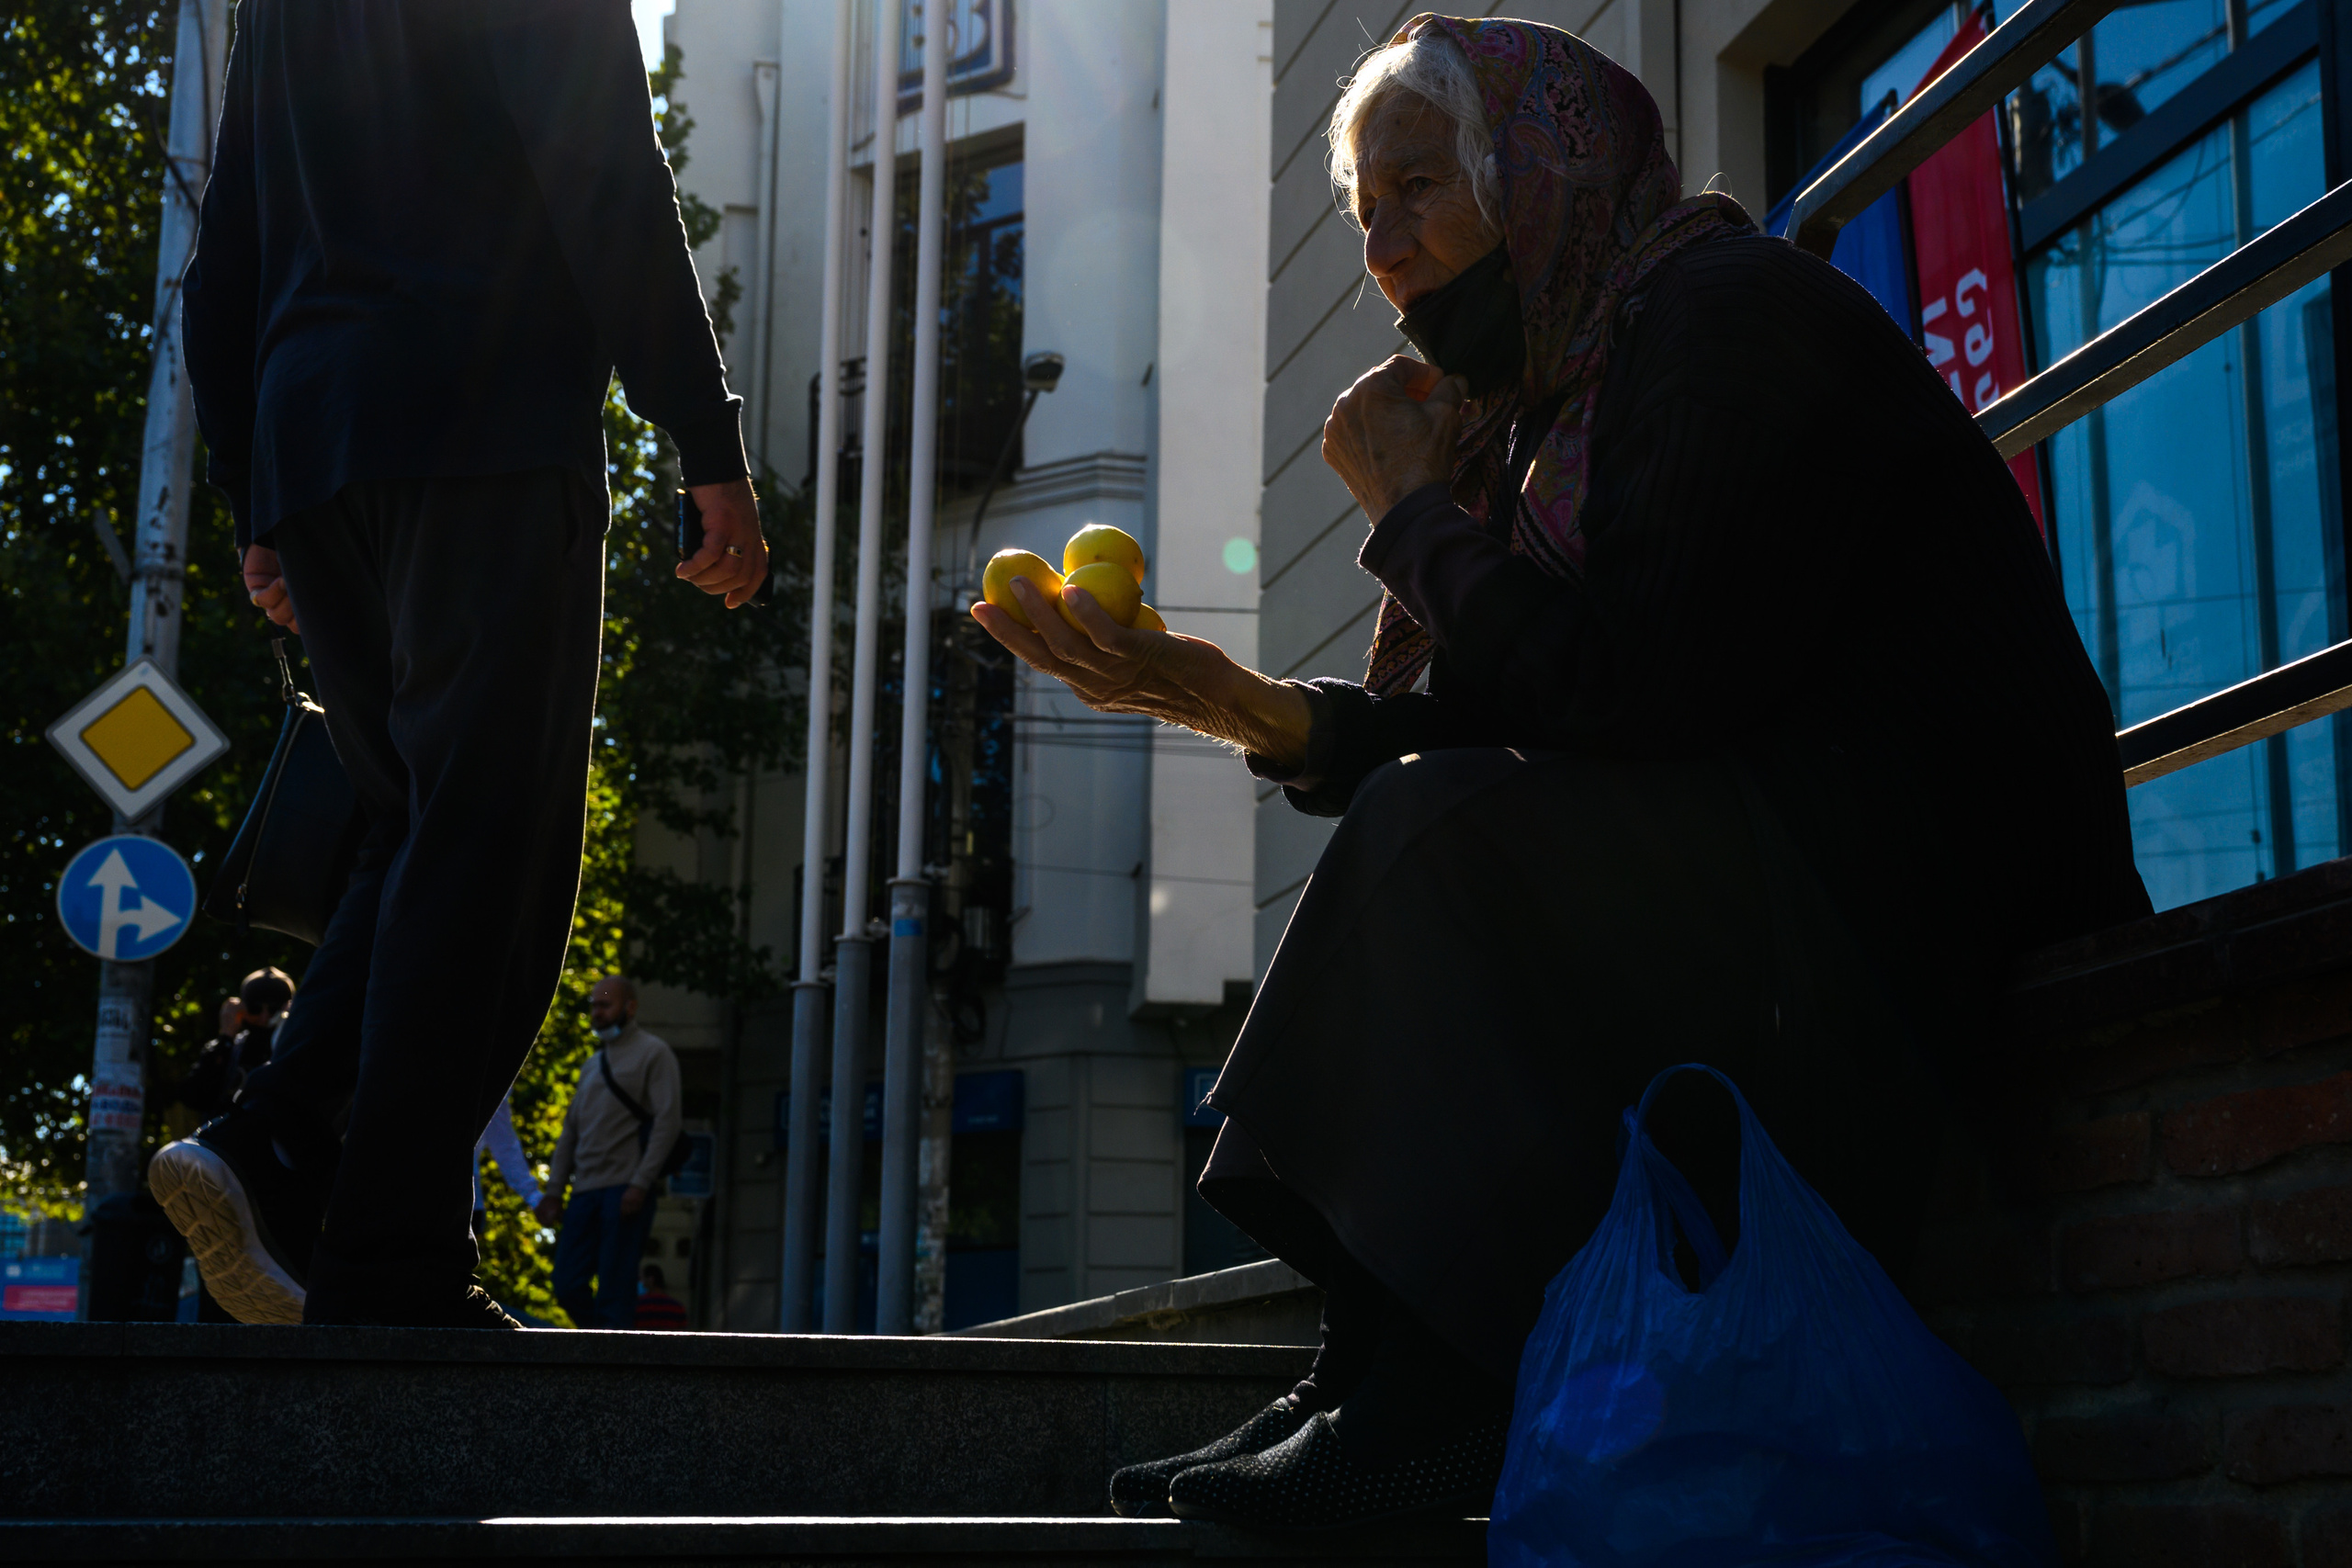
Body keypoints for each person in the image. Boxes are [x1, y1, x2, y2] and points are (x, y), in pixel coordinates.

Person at [971, 16, 2151, 1532]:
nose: (1385, 252)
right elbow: (1505, 718)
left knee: (1439, 839)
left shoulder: (1723, 317)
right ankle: (1368, 1370)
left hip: (1922, 955)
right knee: (1431, 822)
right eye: (1364, 215)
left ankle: (1428, 1389)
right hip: (1795, 909)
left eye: (1417, 189)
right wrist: (1215, 695)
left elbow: (1620, 697)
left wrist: (1412, 514)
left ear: (1540, 169)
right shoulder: (1564, 410)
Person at [150, 0, 764, 1331]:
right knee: (494, 847)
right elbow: (602, 163)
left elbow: (229, 244)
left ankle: (299, 1171)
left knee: (418, 826)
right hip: (482, 430)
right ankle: (368, 1237)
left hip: (319, 446)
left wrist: (259, 496)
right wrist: (703, 441)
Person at [536, 976, 681, 1330]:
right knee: (567, 1284)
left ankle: (610, 1362)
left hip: (624, 1191)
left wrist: (641, 1183)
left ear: (629, 1007)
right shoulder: (591, 1066)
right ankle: (601, 1342)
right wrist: (554, 1190)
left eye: (605, 1005)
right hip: (585, 1191)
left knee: (615, 1292)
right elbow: (570, 1132)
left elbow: (668, 1122)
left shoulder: (653, 1053)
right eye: (593, 1006)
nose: (596, 1013)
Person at [471, 1091, 543, 1241]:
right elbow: (505, 1147)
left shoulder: (489, 1083)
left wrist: (534, 1197)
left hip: (465, 1206)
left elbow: (505, 1147)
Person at [635, 1264, 687, 1331]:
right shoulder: (677, 1307)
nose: (641, 1282)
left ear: (650, 1279)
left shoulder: (639, 1305)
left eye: (642, 1278)